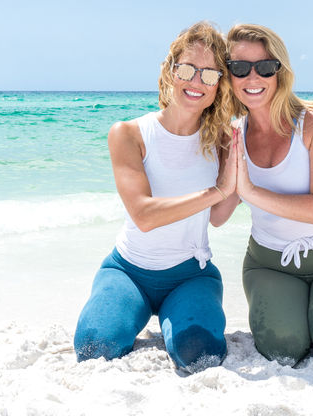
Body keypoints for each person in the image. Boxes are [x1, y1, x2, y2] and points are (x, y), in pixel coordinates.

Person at [74, 22, 237, 373]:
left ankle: (178, 316)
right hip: (128, 271)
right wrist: (216, 191)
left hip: (191, 275)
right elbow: (144, 216)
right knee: (94, 349)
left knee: (200, 355)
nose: (197, 82)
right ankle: (127, 307)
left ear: (220, 84)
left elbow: (219, 217)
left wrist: (236, 179)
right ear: (170, 70)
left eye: (209, 74)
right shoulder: (130, 133)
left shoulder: (223, 140)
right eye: (188, 69)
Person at [223, 24, 313, 366]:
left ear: (280, 71)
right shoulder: (232, 133)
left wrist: (250, 191)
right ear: (228, 75)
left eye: (265, 67)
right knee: (283, 349)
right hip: (268, 264)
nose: (253, 77)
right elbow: (218, 217)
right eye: (239, 68)